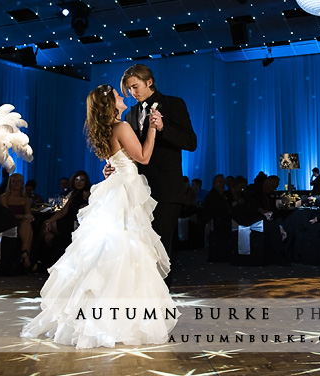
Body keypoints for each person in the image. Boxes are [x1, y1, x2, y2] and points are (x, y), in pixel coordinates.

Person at [22, 83, 176, 348]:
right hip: (125, 189)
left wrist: (111, 167)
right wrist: (152, 128)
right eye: (117, 95)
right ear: (110, 103)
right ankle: (121, 321)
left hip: (116, 188)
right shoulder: (122, 127)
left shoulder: (107, 129)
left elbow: (115, 159)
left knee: (110, 251)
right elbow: (144, 157)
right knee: (126, 251)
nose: (122, 95)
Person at [104, 64, 197, 261]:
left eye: (135, 87)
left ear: (149, 82)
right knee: (139, 250)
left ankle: (161, 293)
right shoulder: (129, 115)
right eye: (128, 89)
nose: (132, 92)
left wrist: (163, 128)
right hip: (137, 191)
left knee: (161, 251)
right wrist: (115, 166)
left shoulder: (173, 104)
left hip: (165, 189)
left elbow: (191, 142)